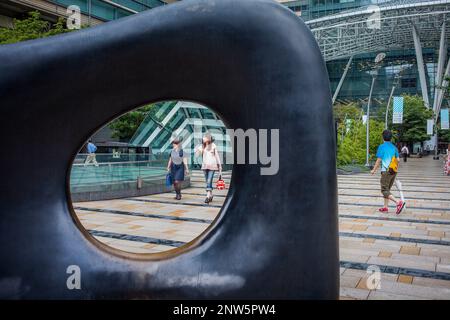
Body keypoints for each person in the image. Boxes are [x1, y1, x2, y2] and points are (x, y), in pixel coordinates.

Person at [370, 130, 405, 214]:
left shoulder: (382, 147)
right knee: (387, 189)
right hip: (393, 171)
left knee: (384, 190)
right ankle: (385, 207)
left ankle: (398, 203)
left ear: (383, 137)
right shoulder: (394, 147)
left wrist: (373, 170)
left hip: (386, 171)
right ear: (391, 138)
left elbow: (379, 160)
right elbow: (398, 160)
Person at [195, 133, 222, 203]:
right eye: (203, 137)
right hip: (204, 166)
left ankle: (207, 196)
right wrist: (198, 151)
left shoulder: (213, 146)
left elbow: (217, 156)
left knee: (209, 180)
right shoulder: (202, 146)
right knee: (207, 181)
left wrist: (220, 166)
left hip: (212, 166)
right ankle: (211, 195)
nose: (203, 138)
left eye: (204, 137)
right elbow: (197, 156)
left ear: (208, 138)